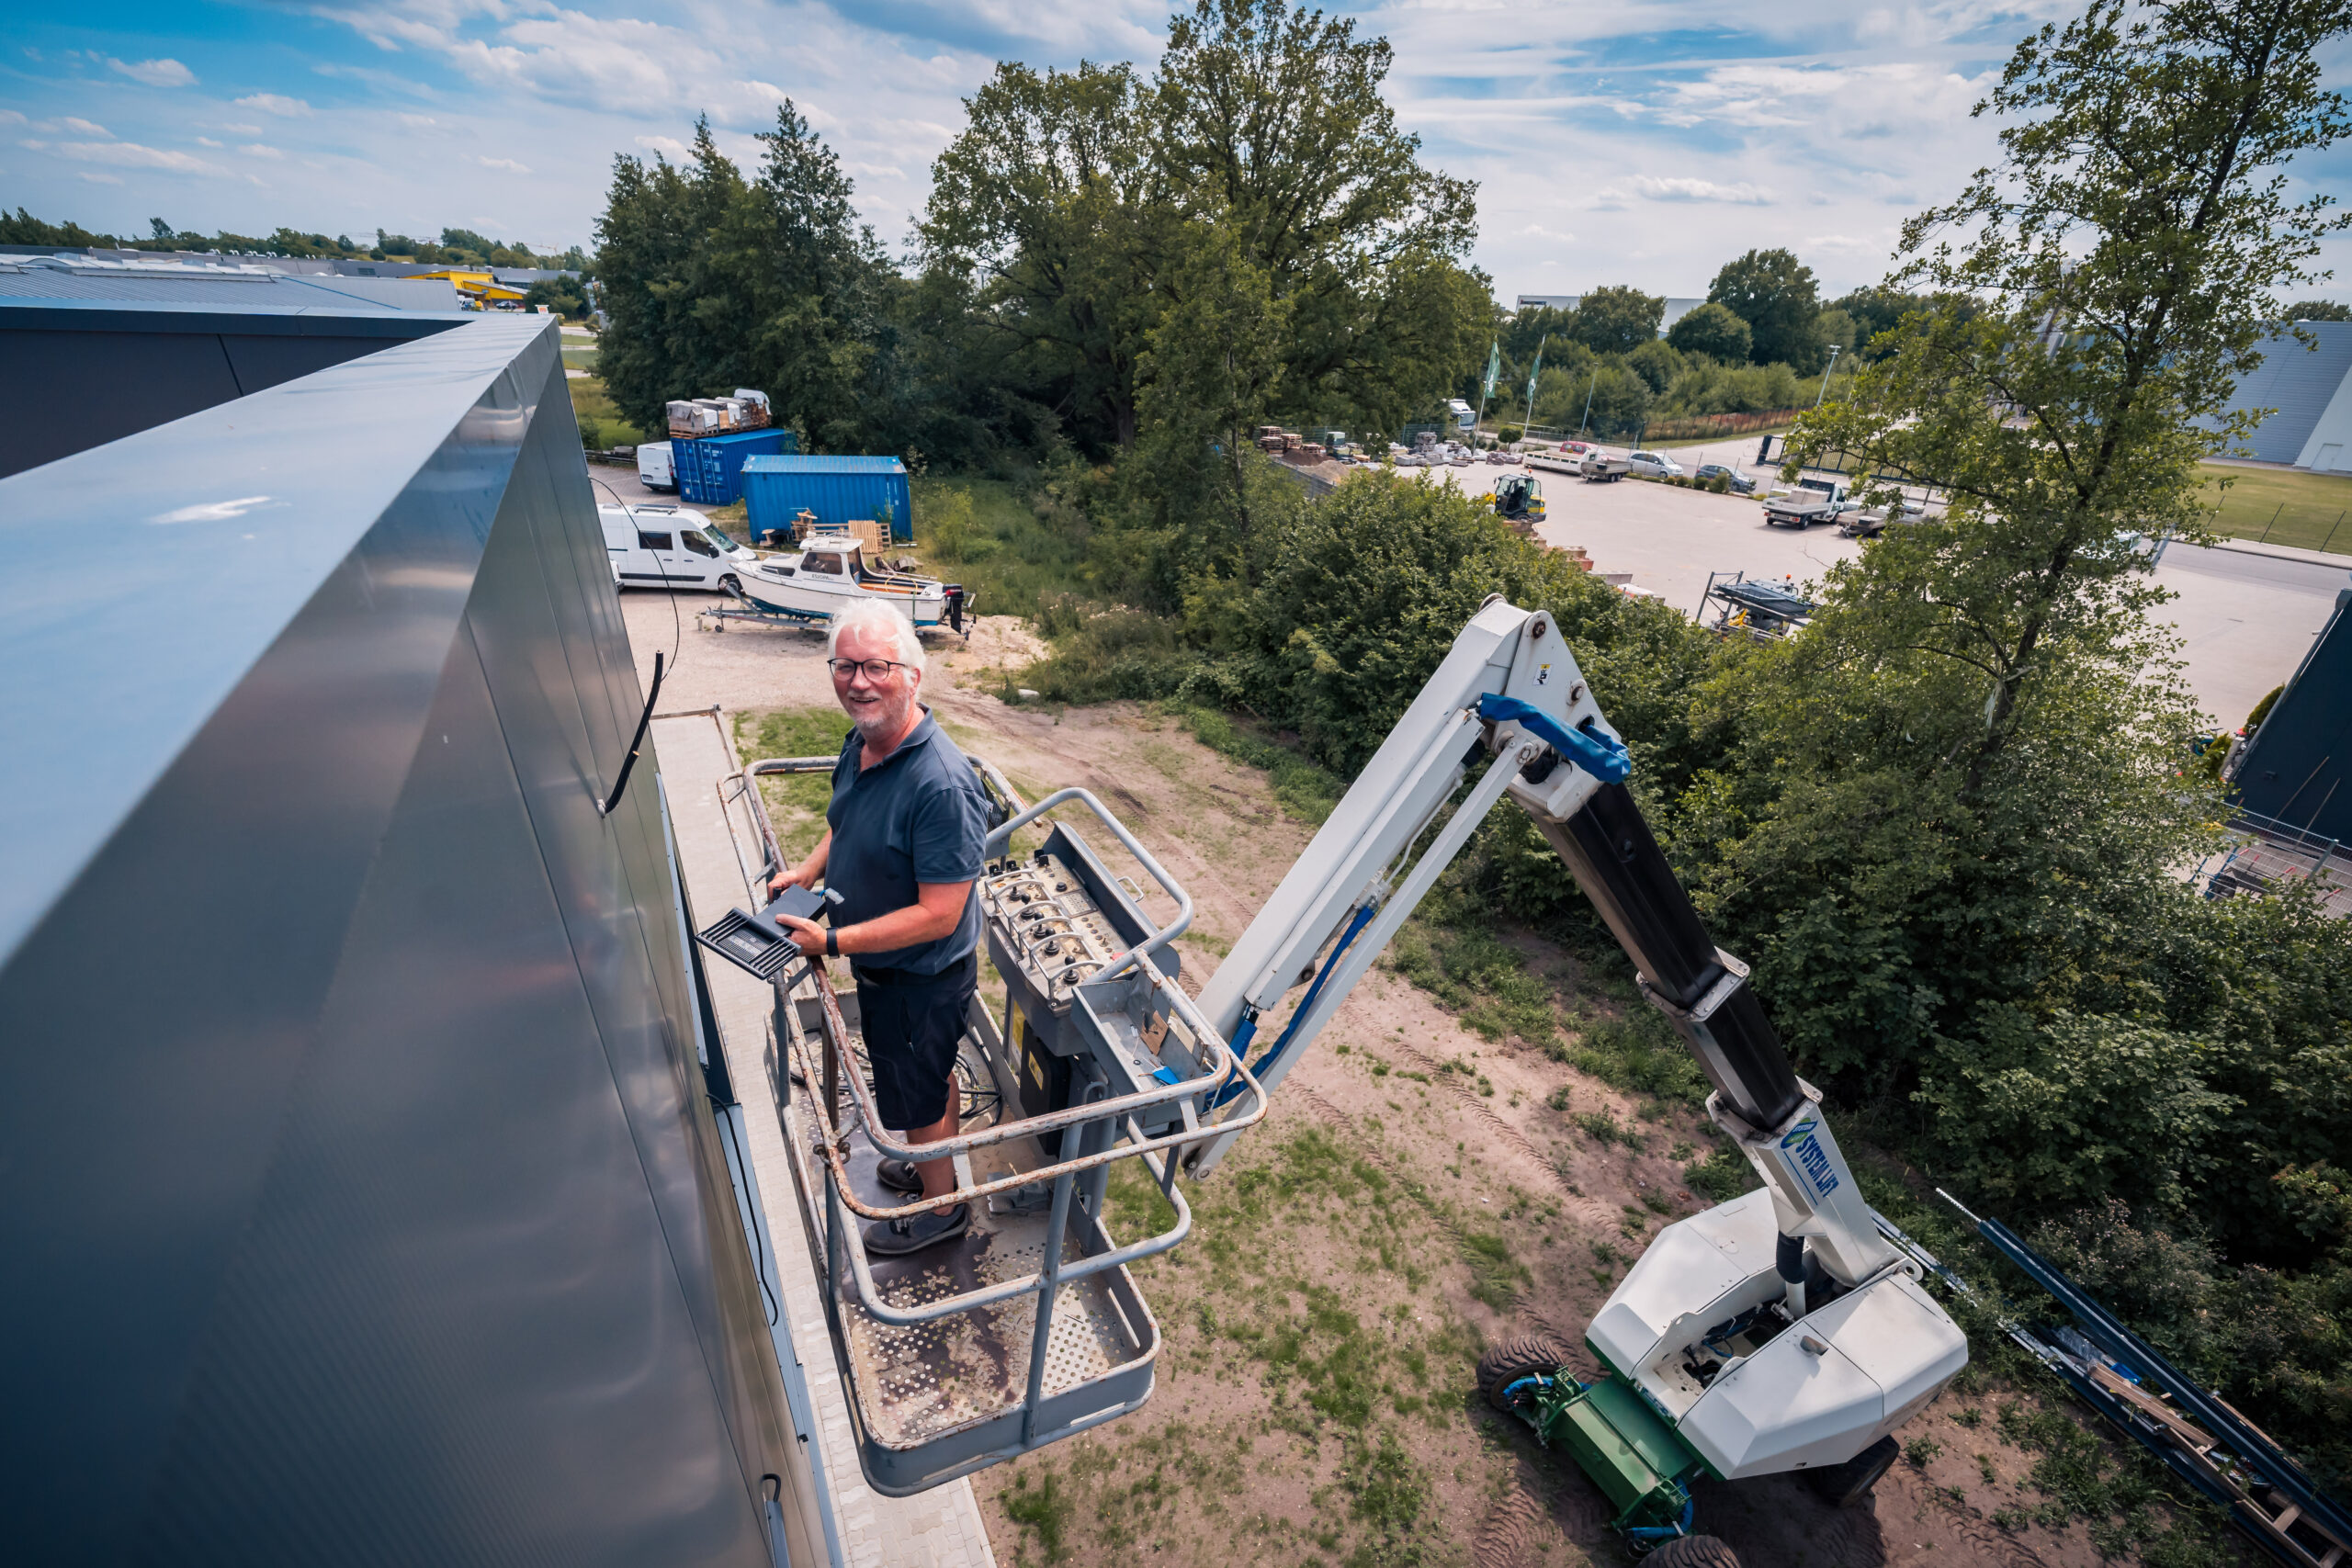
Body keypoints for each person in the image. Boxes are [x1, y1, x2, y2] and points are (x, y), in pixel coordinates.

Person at [769, 601, 989, 1257]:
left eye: (877, 667)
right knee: (925, 1079)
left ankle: (942, 1207)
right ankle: (930, 1168)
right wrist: (806, 873)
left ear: (914, 677)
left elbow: (939, 913)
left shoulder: (941, 785)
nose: (858, 681)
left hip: (920, 979)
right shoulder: (864, 743)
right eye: (846, 665)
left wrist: (830, 942)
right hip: (886, 970)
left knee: (917, 1095)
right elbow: (845, 819)